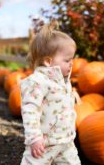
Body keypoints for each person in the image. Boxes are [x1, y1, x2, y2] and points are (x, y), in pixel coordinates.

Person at [20, 20, 81, 165]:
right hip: (44, 143)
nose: (72, 63)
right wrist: (34, 138)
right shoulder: (37, 82)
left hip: (66, 140)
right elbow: (30, 111)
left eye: (72, 59)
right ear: (48, 61)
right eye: (67, 60)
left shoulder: (62, 79)